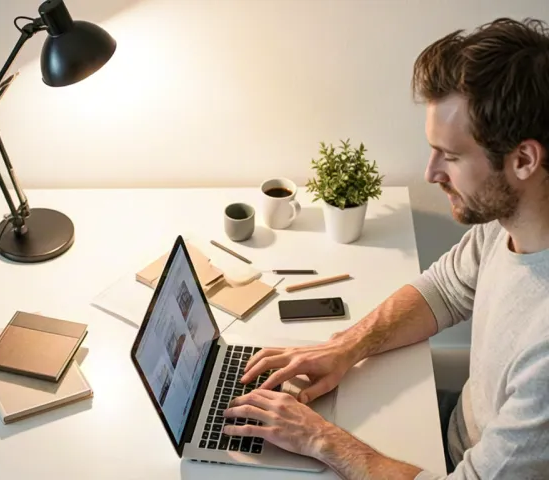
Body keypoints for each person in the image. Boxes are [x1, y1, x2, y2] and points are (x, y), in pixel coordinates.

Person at [222, 17, 549, 479]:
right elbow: (447, 289)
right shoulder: (509, 222)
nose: (432, 173)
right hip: (455, 428)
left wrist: (319, 438)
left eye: (451, 157)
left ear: (523, 160)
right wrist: (342, 348)